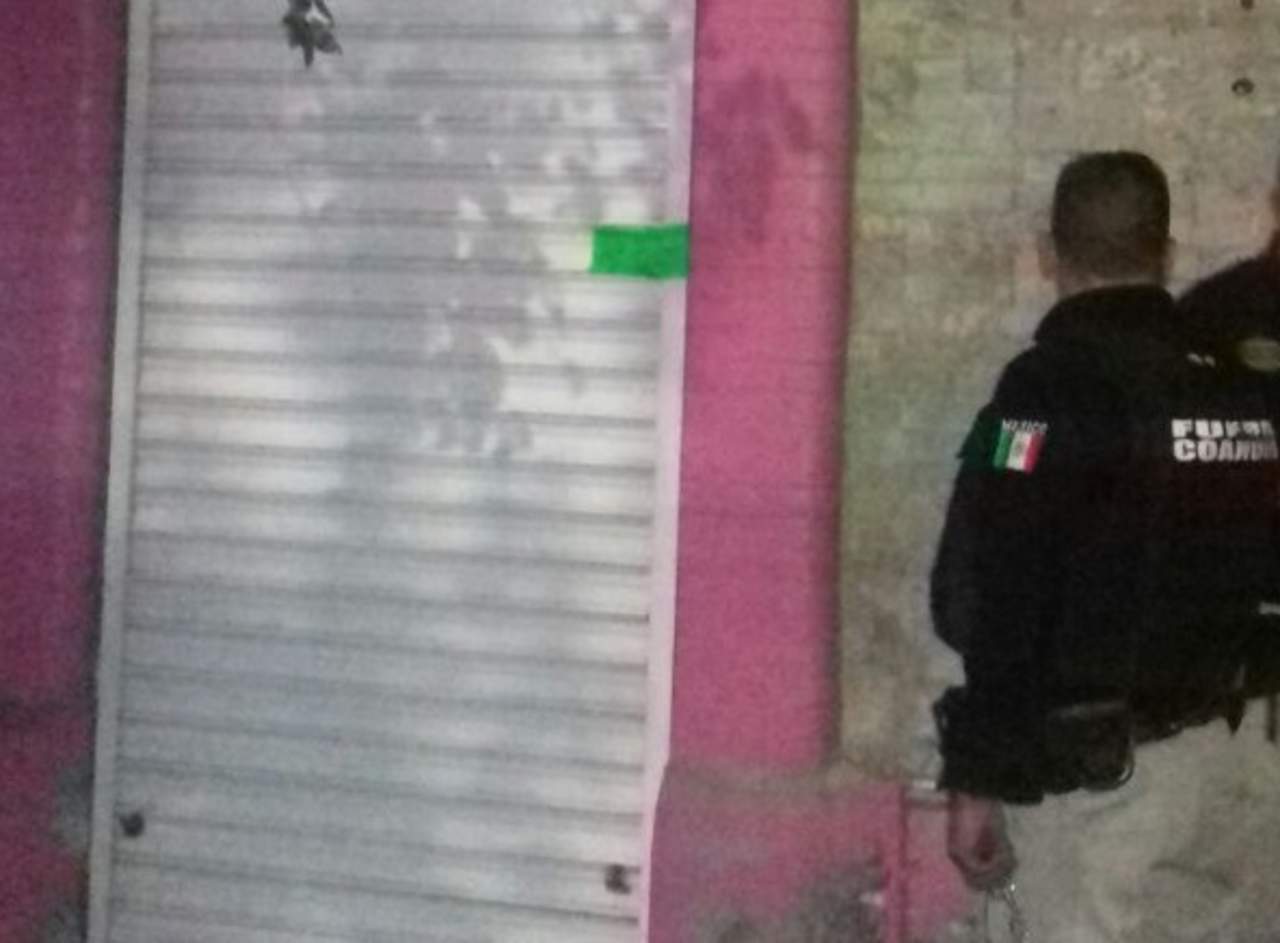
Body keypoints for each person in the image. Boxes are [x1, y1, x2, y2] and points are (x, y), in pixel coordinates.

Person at [931, 151, 1280, 943]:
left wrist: (977, 775)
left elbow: (993, 585)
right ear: (1166, 252)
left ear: (1049, 253)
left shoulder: (1041, 393)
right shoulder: (1234, 388)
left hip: (1105, 793)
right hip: (1240, 778)